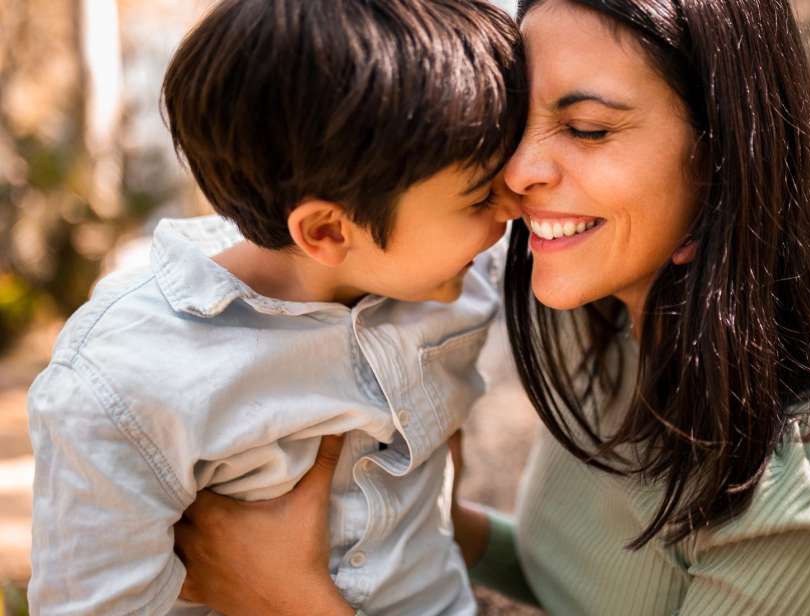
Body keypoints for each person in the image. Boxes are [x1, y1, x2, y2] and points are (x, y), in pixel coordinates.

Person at [175, 1, 810, 614]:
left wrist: (282, 595)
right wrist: (407, 517)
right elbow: (580, 584)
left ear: (724, 155)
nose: (516, 171)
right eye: (511, 125)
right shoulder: (594, 320)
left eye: (587, 129)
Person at [25, 0, 525, 614]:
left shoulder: (450, 287)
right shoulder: (131, 384)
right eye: (479, 198)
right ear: (327, 232)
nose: (512, 208)